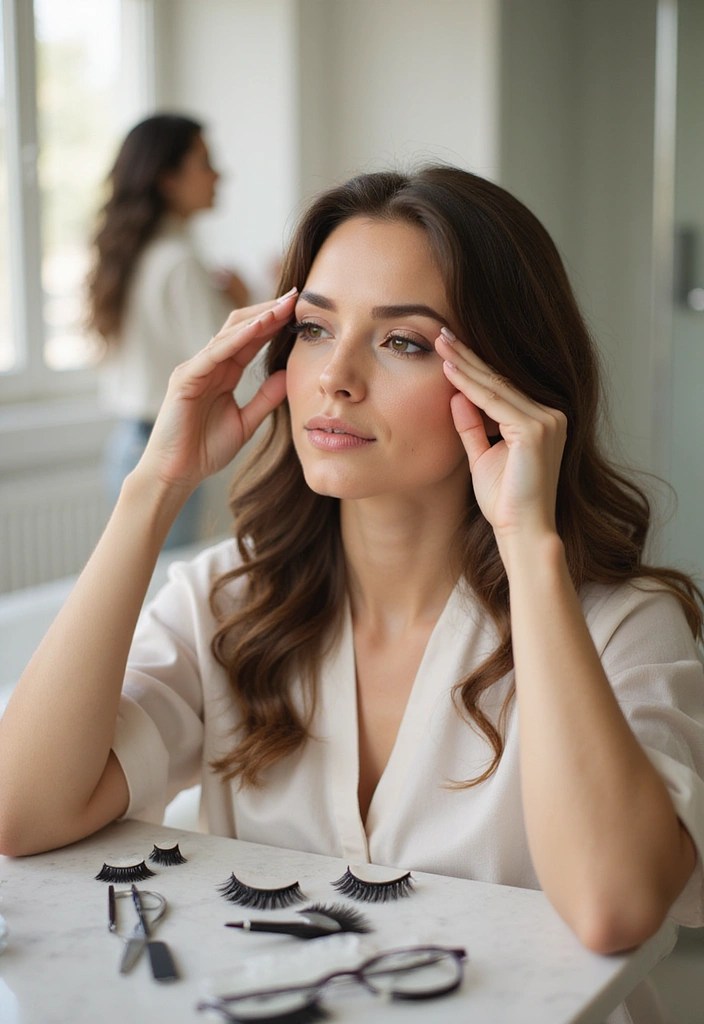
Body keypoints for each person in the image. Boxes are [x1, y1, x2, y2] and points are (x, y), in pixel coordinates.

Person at [1, 166, 702, 1021]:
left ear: (508, 382)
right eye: (312, 328)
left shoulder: (621, 625)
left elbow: (614, 904)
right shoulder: (228, 596)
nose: (334, 377)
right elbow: (19, 813)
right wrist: (155, 489)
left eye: (403, 341)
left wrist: (529, 545)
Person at [86, 112, 251, 548]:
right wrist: (247, 300)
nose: (220, 174)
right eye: (204, 161)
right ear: (168, 179)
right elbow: (228, 367)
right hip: (164, 445)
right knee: (162, 583)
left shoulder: (129, 257)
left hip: (127, 444)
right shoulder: (178, 263)